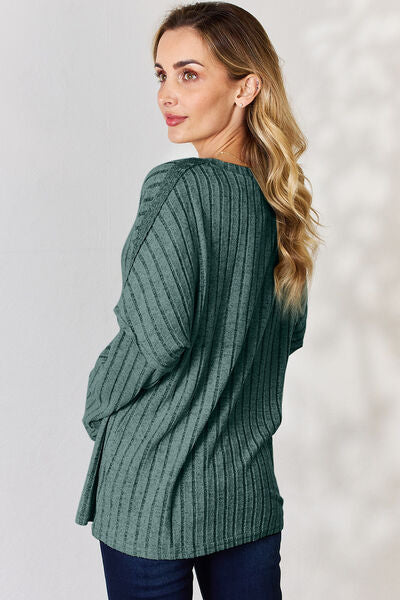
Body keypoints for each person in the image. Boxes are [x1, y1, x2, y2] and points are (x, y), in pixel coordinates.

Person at [75, 2, 322, 598]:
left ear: (246, 88)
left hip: (152, 488)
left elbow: (153, 340)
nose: (167, 94)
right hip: (244, 488)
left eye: (189, 74)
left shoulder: (178, 188)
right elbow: (284, 340)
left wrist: (98, 405)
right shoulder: (283, 207)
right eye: (162, 75)